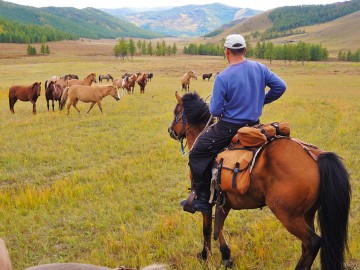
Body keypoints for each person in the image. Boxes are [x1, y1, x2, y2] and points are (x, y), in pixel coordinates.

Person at [181, 34, 287, 214]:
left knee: (197, 152)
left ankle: (204, 200)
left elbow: (214, 111)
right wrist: (261, 100)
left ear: (227, 51)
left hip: (229, 127)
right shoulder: (260, 68)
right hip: (254, 125)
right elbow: (280, 87)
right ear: (244, 50)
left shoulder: (223, 77)